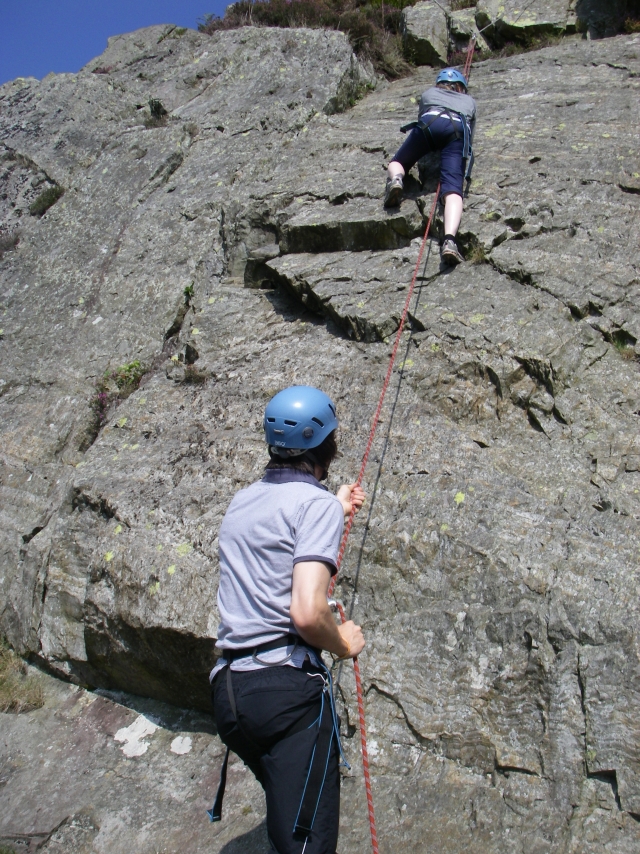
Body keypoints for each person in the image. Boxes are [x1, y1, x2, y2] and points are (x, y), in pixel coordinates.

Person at [209, 385, 366, 854]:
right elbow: (305, 611)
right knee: (306, 844)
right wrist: (343, 642)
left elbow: (278, 536)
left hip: (231, 695)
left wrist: (333, 507)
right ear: (327, 443)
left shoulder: (244, 501)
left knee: (289, 829)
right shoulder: (314, 506)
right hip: (285, 695)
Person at [384, 67, 477, 267]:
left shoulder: (428, 94)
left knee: (397, 162)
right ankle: (449, 240)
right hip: (457, 129)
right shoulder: (469, 101)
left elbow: (421, 116)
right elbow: (470, 137)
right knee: (452, 190)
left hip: (430, 122)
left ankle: (397, 179)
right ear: (461, 87)